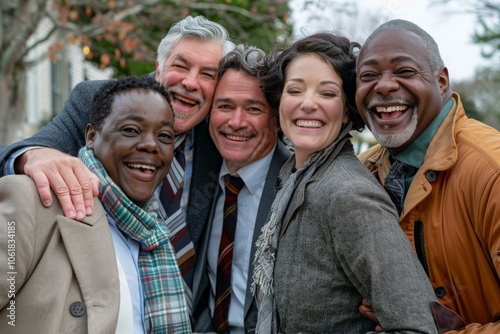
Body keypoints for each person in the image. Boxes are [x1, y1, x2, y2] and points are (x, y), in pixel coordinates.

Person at [0, 15, 235, 309]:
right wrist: (32, 155)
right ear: (160, 66)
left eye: (207, 74)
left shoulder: (221, 132)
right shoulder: (101, 101)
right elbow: (19, 151)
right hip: (96, 308)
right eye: (181, 66)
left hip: (180, 314)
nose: (190, 82)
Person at [251, 32, 441, 334]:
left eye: (327, 94)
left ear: (345, 113)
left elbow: (417, 326)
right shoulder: (294, 179)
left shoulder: (349, 194)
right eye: (295, 90)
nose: (308, 104)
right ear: (279, 102)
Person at [0, 75, 191, 333]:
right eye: (131, 130)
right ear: (91, 135)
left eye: (165, 136)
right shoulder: (33, 202)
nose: (150, 145)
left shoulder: (154, 230)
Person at [356, 19, 500, 333]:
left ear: (442, 81)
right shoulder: (359, 175)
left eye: (404, 71)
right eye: (368, 76)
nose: (383, 86)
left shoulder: (491, 170)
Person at [191, 44, 290, 334]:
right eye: (224, 106)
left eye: (253, 108)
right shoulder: (198, 173)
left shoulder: (300, 186)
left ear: (276, 117)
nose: (236, 122)